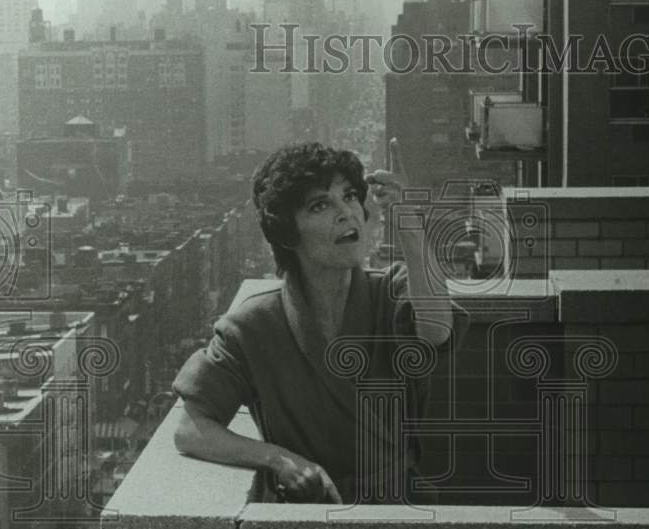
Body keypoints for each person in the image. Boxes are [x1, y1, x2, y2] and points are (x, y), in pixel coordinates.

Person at [172, 139, 467, 504]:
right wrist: (279, 459)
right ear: (286, 232)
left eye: (350, 196)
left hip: (398, 513)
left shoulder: (391, 294)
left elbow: (437, 331)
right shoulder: (253, 326)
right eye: (320, 205)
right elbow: (191, 429)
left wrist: (407, 220)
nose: (346, 213)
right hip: (303, 517)